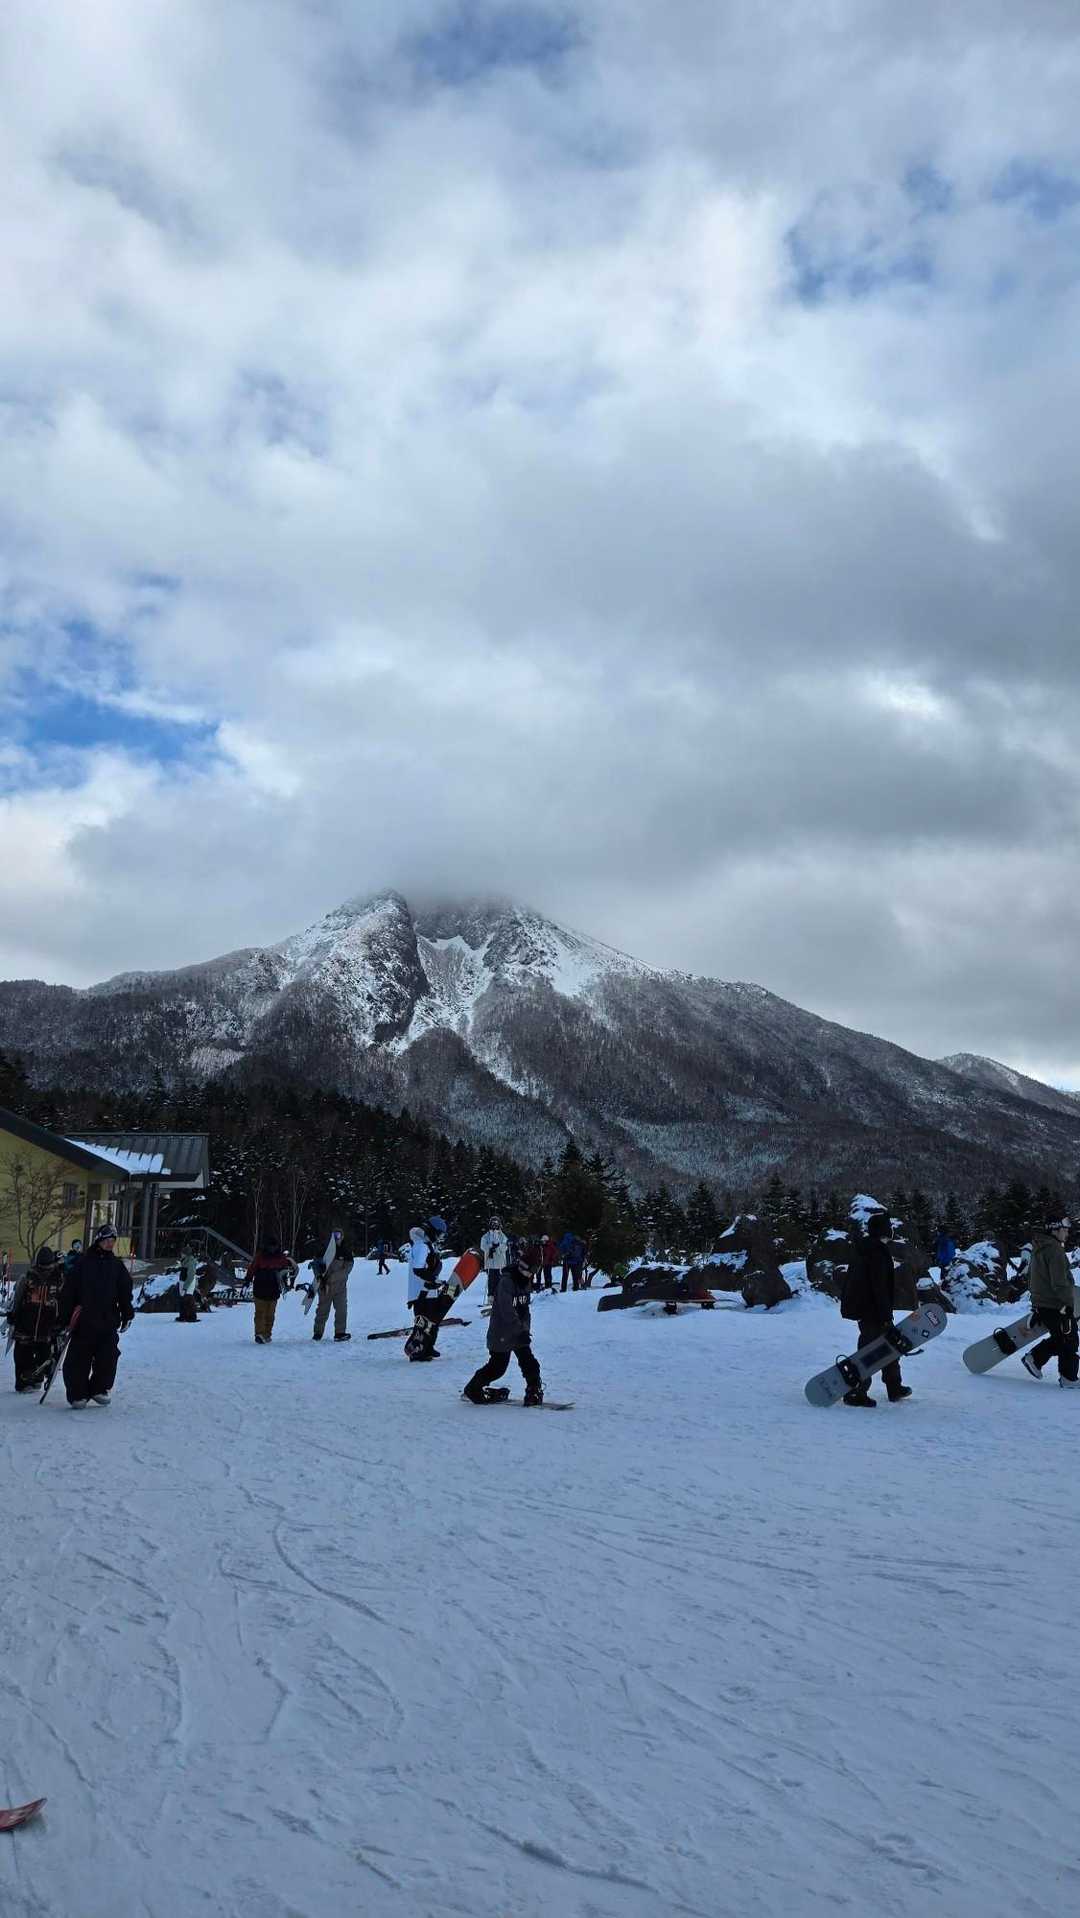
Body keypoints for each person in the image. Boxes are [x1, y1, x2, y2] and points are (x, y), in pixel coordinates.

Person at [838, 1211, 911, 1407]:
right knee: (869, 1351)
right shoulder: (876, 1252)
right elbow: (879, 1286)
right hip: (872, 1310)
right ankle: (856, 1392)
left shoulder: (866, 1248)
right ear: (884, 1230)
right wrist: (885, 1316)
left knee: (890, 1344)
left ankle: (894, 1386)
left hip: (867, 1309)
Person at [59, 1224, 134, 1407]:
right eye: (106, 1240)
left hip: (108, 1320)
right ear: (98, 1240)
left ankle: (99, 1388)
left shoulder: (116, 1266)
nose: (110, 1244)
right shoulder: (82, 1263)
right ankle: (78, 1394)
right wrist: (64, 1319)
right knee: (78, 1359)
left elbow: (125, 1292)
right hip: (84, 1321)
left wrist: (127, 1314)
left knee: (109, 1357)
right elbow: (68, 1292)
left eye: (112, 1241)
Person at [463, 1251, 544, 1405]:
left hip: (518, 1330)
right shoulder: (506, 1282)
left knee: (529, 1362)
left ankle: (533, 1390)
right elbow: (507, 1310)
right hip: (501, 1332)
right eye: (532, 1270)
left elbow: (525, 1309)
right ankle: (473, 1388)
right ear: (523, 1267)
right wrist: (519, 1330)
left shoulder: (525, 1282)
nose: (532, 1275)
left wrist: (525, 1329)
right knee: (497, 1367)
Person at [1022, 1218, 1079, 1387]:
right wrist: (1069, 1304)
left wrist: (1037, 1301)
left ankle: (1036, 1359)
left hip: (1043, 1302)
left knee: (1062, 1338)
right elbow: (1059, 1282)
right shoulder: (1054, 1250)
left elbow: (1034, 1276)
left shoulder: (1040, 1246)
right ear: (1054, 1230)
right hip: (1056, 1304)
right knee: (1069, 1339)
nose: (1067, 1233)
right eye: (1065, 1229)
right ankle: (1068, 1378)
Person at [6, 1245, 65, 1392]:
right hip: (26, 1322)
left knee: (43, 1354)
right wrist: (13, 1314)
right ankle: (23, 1382)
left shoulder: (59, 1279)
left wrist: (62, 1321)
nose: (45, 1268)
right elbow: (18, 1296)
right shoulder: (29, 1277)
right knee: (23, 1354)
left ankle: (37, 1377)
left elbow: (63, 1301)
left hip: (47, 1324)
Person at [246, 1242, 297, 1344]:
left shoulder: (281, 1258)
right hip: (260, 1289)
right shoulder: (260, 1257)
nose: (272, 1248)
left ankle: (267, 1334)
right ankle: (259, 1334)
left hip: (273, 1290)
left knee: (269, 1314)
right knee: (260, 1313)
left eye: (273, 1246)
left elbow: (285, 1272)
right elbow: (252, 1268)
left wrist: (285, 1285)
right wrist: (248, 1279)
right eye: (270, 1246)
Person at [313, 1232, 354, 1342]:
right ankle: (317, 1333)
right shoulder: (323, 1251)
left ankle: (340, 1333)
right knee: (322, 1310)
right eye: (334, 1235)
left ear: (342, 1237)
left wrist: (331, 1278)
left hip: (340, 1287)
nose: (336, 1238)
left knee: (341, 1310)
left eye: (338, 1235)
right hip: (325, 1287)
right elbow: (315, 1265)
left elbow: (346, 1270)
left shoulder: (346, 1252)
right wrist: (319, 1277)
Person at [481, 1216, 510, 1303]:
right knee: (491, 1280)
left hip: (499, 1262)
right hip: (490, 1262)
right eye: (493, 1223)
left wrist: (498, 1247)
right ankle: (490, 1297)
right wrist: (490, 1247)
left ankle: (499, 1296)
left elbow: (505, 1247)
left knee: (499, 1279)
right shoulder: (486, 1236)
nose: (494, 1225)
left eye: (496, 1224)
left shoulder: (502, 1236)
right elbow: (483, 1246)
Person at [176, 1242, 201, 1324]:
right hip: (183, 1282)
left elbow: (190, 1276)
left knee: (189, 1299)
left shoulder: (190, 1262)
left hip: (188, 1283)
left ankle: (192, 1316)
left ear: (186, 1254)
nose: (181, 1254)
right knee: (182, 1299)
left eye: (182, 1253)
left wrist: (185, 1287)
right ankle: (183, 1316)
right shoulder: (185, 1261)